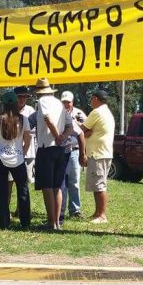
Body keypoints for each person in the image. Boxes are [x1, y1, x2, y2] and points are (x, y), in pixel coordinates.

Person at [0, 91, 31, 229]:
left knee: (2, 191)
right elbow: (27, 139)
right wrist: (22, 152)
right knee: (23, 190)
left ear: (4, 104)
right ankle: (25, 223)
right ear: (17, 103)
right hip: (18, 159)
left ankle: (4, 223)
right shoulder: (24, 120)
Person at [34, 77, 73, 230]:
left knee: (47, 186)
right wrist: (63, 137)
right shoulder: (59, 103)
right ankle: (57, 222)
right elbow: (70, 126)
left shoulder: (42, 102)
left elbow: (47, 119)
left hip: (47, 147)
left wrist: (57, 135)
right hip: (60, 149)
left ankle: (51, 223)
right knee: (57, 186)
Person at [79, 89, 115, 224]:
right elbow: (87, 131)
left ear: (95, 99)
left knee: (99, 185)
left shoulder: (97, 112)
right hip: (101, 152)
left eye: (91, 99)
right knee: (97, 184)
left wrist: (75, 123)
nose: (90, 102)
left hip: (98, 153)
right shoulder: (106, 112)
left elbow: (81, 129)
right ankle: (97, 213)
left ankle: (102, 215)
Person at [59, 91, 88, 223]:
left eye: (68, 102)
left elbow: (85, 131)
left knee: (74, 181)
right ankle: (60, 210)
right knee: (61, 183)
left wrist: (83, 153)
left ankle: (75, 210)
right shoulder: (58, 113)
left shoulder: (79, 114)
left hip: (75, 150)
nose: (66, 104)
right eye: (63, 102)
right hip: (61, 150)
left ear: (72, 102)